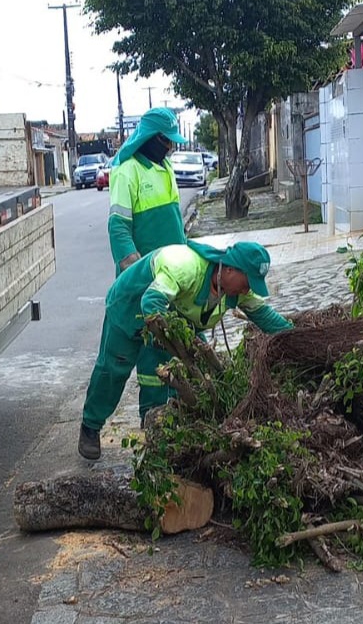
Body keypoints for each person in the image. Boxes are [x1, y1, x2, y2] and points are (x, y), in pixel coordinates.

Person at [78, 240, 293, 460]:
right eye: (248, 282)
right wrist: (175, 341)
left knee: (169, 376)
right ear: (229, 269)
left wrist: (296, 335)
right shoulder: (185, 266)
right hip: (130, 304)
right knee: (114, 370)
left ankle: (156, 430)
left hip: (171, 318)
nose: (248, 289)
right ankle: (90, 426)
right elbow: (152, 302)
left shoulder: (236, 291)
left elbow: (266, 318)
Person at [108, 107, 187, 274]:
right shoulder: (127, 170)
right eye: (166, 140)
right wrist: (136, 272)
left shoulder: (166, 166)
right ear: (150, 137)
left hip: (174, 271)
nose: (170, 146)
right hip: (146, 278)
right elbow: (118, 226)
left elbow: (174, 220)